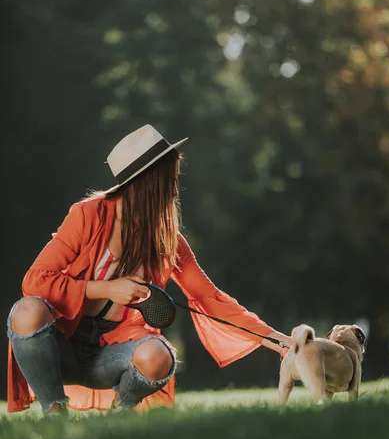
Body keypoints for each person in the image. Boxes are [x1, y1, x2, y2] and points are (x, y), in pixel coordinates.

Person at [7, 125, 292, 416]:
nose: (174, 189)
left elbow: (210, 299)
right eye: (171, 179)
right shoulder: (87, 216)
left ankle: (122, 412)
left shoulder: (168, 239)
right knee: (26, 311)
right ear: (149, 182)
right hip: (62, 349)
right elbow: (35, 281)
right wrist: (107, 289)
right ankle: (54, 411)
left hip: (113, 354)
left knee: (158, 356)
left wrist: (283, 343)